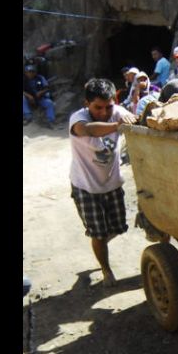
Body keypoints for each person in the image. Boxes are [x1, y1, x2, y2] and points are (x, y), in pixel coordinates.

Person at [69, 78, 137, 287]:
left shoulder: (116, 111)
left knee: (118, 227)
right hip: (86, 187)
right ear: (86, 104)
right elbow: (88, 130)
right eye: (97, 107)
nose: (104, 112)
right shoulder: (77, 119)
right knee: (99, 234)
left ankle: (98, 241)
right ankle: (106, 269)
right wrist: (117, 125)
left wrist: (129, 116)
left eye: (108, 107)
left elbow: (129, 117)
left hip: (112, 184)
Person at [23, 65, 58, 129]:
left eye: (32, 71)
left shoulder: (40, 78)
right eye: (29, 72)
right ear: (25, 73)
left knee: (49, 103)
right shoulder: (24, 79)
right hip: (29, 99)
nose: (31, 73)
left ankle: (50, 121)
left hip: (40, 98)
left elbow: (47, 88)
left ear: (35, 72)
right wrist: (29, 96)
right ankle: (28, 116)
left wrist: (40, 92)